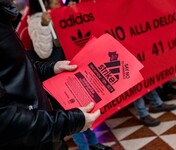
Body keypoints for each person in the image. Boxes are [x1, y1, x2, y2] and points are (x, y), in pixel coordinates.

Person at [0, 1, 100, 149]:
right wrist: (69, 122)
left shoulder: (4, 19)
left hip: (45, 131)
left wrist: (52, 68)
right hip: (34, 135)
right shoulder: (34, 20)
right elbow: (5, 120)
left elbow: (20, 66)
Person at [27, 0, 112, 149]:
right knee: (70, 110)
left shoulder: (64, 13)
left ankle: (94, 143)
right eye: (54, 2)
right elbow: (43, 52)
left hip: (70, 66)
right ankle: (83, 147)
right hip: (55, 72)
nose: (58, 5)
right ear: (45, 5)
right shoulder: (36, 22)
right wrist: (44, 25)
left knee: (83, 106)